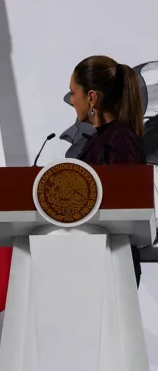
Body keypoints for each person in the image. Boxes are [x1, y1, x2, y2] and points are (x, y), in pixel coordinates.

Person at [67, 54, 145, 286]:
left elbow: (125, 204)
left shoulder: (119, 138)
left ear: (91, 97)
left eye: (73, 92)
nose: (71, 101)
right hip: (99, 259)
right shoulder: (101, 138)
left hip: (112, 264)